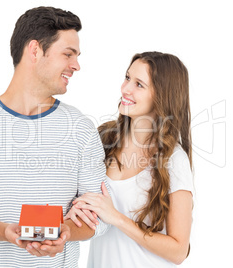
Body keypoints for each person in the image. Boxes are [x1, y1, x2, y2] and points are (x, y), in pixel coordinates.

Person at [0, 6, 109, 267]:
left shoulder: (81, 127)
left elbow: (98, 215)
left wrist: (65, 232)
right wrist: (5, 232)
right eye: (68, 54)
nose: (76, 65)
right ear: (35, 50)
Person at [65, 51, 194, 267]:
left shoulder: (174, 160)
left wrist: (116, 217)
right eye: (127, 78)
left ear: (162, 95)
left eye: (139, 84)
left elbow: (179, 251)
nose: (125, 89)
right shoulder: (102, 139)